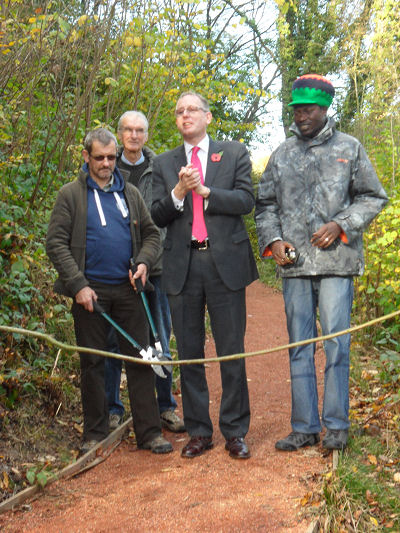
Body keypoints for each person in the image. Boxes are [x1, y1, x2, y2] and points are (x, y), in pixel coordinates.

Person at [255, 74, 388, 452]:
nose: (301, 117)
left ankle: (336, 428)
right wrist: (273, 240)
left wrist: (340, 224)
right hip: (295, 267)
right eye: (296, 110)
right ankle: (304, 428)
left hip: (336, 264)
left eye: (308, 109)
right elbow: (265, 206)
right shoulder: (281, 154)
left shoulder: (350, 148)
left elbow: (373, 197)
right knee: (299, 345)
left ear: (325, 108)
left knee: (336, 346)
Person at [46, 128, 173, 455]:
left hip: (130, 290)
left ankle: (149, 433)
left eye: (111, 158)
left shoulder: (130, 193)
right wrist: (78, 285)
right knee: (93, 363)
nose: (106, 163)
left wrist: (144, 263)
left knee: (141, 360)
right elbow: (55, 243)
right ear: (86, 156)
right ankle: (94, 434)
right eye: (99, 157)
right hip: (89, 294)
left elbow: (151, 235)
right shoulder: (70, 195)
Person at [151, 92, 258, 459]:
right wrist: (179, 191)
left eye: (192, 109)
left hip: (223, 263)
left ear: (208, 117)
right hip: (182, 267)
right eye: (179, 111)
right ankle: (198, 431)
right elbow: (155, 215)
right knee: (190, 353)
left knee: (231, 350)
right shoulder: (164, 163)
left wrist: (207, 192)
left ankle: (234, 431)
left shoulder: (233, 153)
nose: (185, 116)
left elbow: (246, 200)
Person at [105, 111, 185, 433]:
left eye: (140, 130)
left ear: (146, 135)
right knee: (113, 340)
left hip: (156, 267)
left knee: (159, 338)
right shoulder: (108, 167)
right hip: (116, 271)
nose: (134, 136)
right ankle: (113, 409)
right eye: (128, 130)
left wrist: (149, 259)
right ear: (120, 133)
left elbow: (167, 216)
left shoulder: (162, 168)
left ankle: (165, 405)